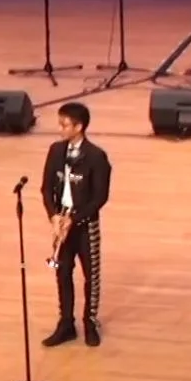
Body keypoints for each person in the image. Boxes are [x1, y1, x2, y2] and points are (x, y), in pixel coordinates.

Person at [39, 102, 113, 347]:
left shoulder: (96, 156)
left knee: (91, 274)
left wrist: (75, 218)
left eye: (65, 125)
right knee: (62, 271)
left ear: (79, 127)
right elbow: (46, 188)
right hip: (63, 222)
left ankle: (90, 322)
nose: (60, 129)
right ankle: (66, 323)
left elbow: (99, 197)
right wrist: (54, 216)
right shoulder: (55, 151)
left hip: (84, 223)